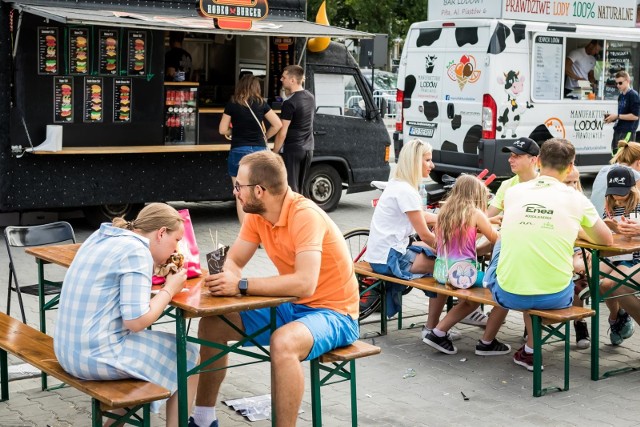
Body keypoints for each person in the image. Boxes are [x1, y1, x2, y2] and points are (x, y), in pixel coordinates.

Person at [190, 151, 359, 427]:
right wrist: (223, 278)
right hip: (293, 306)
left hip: (336, 313)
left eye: (238, 186)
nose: (235, 192)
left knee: (283, 342)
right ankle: (203, 418)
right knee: (212, 325)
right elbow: (234, 260)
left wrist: (240, 285)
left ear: (259, 190)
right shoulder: (257, 214)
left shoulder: (305, 215)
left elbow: (305, 284)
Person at [53, 203, 200, 426]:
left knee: (150, 368)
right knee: (188, 355)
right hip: (92, 356)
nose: (176, 250)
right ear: (161, 233)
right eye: (177, 240)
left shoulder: (102, 235)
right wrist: (170, 289)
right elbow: (136, 321)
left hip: (66, 349)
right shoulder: (137, 252)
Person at [484, 138, 613, 371]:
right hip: (555, 297)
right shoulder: (577, 199)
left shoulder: (515, 192)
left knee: (503, 240)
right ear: (571, 165)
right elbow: (606, 241)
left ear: (539, 161)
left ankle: (530, 351)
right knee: (541, 268)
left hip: (507, 294)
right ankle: (531, 351)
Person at [363, 139, 452, 342]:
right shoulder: (407, 192)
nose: (433, 165)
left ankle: (438, 323)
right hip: (389, 259)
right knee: (446, 268)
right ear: (415, 161)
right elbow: (426, 235)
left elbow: (419, 216)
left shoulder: (397, 185)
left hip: (380, 254)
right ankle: (433, 328)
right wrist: (451, 251)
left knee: (432, 254)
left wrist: (445, 218)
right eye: (428, 160)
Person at [423, 175, 508, 355]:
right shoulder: (474, 213)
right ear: (475, 195)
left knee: (472, 296)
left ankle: (438, 331)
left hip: (442, 271)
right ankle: (439, 333)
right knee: (496, 291)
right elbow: (496, 239)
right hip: (463, 274)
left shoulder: (445, 211)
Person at [220, 74, 283, 224]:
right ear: (256, 87)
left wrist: (232, 132)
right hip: (260, 152)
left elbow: (222, 129)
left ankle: (246, 234)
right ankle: (263, 232)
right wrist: (265, 136)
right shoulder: (261, 104)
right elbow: (278, 124)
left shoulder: (232, 104)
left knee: (241, 195)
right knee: (261, 194)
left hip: (239, 151)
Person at [597, 166, 640, 345]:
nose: (617, 196)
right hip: (614, 254)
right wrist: (609, 227)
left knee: (613, 284)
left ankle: (619, 320)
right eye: (613, 192)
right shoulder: (609, 206)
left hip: (633, 256)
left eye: (622, 192)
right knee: (594, 279)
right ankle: (617, 318)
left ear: (633, 188)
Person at [273, 65, 315, 194]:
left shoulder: (289, 103)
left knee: (291, 189)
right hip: (308, 148)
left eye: (283, 77)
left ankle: (293, 214)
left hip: (293, 149)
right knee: (300, 188)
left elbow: (282, 132)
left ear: (292, 80)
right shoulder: (310, 97)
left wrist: (274, 152)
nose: (281, 79)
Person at [590, 140, 640, 218]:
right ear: (639, 162)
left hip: (595, 220)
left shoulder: (604, 170)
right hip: (616, 222)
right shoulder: (635, 175)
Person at [604, 71, 640, 153]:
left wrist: (617, 116)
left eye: (620, 83)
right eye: (616, 83)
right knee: (615, 156)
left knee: (624, 158)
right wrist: (612, 118)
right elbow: (622, 114)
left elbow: (635, 116)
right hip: (618, 130)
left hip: (628, 131)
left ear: (628, 81)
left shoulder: (633, 95)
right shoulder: (621, 96)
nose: (618, 85)